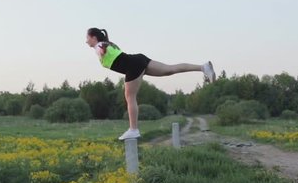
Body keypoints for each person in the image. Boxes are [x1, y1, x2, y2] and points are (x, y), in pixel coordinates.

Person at [86, 27, 216, 140]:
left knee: (130, 97)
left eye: (87, 38)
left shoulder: (100, 46)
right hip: (139, 60)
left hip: (133, 66)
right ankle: (203, 67)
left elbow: (102, 49)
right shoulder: (108, 44)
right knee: (170, 69)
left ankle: (133, 129)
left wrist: (101, 50)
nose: (86, 41)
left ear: (93, 37)